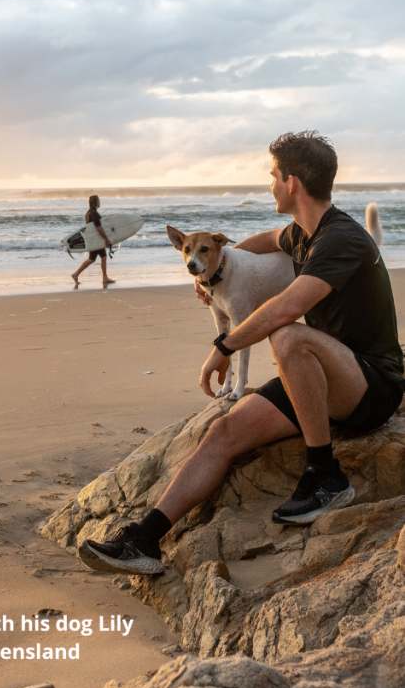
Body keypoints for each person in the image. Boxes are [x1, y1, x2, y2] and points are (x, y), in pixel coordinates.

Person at [81, 131, 405, 575]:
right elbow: (253, 244)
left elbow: (289, 307)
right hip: (324, 379)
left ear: (291, 183)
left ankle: (326, 477)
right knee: (221, 434)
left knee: (288, 335)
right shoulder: (302, 234)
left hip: (373, 384)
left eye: (273, 175)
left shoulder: (340, 239)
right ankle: (143, 540)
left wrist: (224, 347)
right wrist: (213, 277)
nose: (269, 183)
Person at [72, 194, 115, 288]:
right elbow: (98, 228)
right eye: (98, 201)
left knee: (96, 258)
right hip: (96, 239)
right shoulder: (94, 213)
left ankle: (104, 277)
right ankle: (103, 277)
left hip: (94, 239)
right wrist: (106, 239)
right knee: (97, 258)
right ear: (96, 202)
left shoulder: (88, 213)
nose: (100, 202)